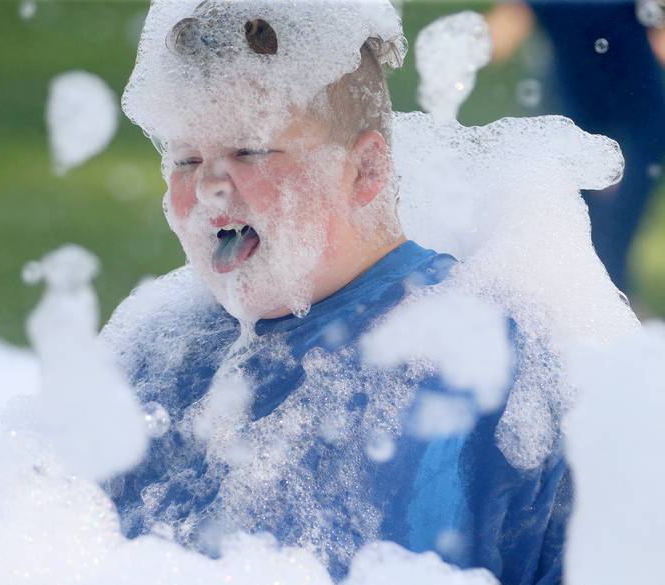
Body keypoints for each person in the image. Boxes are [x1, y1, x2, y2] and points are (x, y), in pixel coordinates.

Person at [101, 1, 570, 583]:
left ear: (366, 170)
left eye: (250, 149)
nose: (208, 187)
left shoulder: (492, 366)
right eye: (185, 158)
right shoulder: (157, 351)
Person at [487, 0, 665, 293]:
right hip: (571, 127)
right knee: (574, 239)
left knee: (611, 241)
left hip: (639, 125)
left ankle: (617, 326)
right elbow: (498, 40)